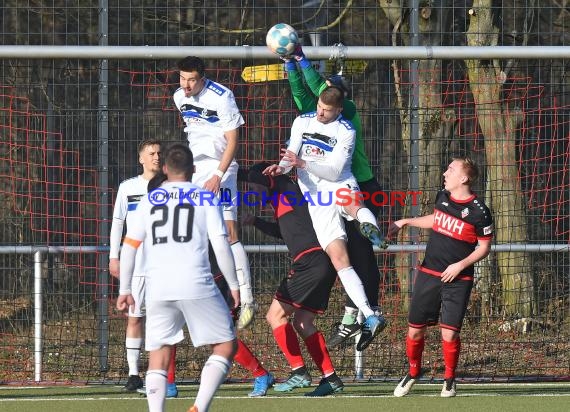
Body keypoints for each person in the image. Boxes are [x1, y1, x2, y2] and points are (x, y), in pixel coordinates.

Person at [116, 143, 240, 412]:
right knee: (225, 346)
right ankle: (199, 407)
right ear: (193, 170)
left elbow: (129, 247)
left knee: (158, 354)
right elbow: (221, 244)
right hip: (197, 282)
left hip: (157, 287)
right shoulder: (206, 197)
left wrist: (125, 288)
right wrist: (234, 285)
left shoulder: (149, 200)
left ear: (164, 169)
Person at [264, 86, 386, 351]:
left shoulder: (345, 131)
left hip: (339, 185)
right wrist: (281, 167)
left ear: (338, 110)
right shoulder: (302, 121)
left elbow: (333, 171)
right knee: (339, 260)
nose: (320, 113)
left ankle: (370, 227)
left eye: (327, 110)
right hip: (316, 201)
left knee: (353, 203)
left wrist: (302, 164)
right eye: (319, 107)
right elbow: (291, 155)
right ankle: (370, 314)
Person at [389, 156, 494, 398]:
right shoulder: (442, 197)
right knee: (415, 331)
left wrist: (460, 265)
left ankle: (449, 379)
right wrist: (407, 221)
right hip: (429, 273)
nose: (445, 173)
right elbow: (437, 220)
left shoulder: (480, 212)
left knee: (449, 333)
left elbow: (483, 247)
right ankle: (413, 373)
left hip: (458, 279)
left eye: (451, 169)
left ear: (464, 178)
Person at [241, 162, 347, 396]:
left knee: (274, 315)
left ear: (267, 179)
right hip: (320, 263)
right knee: (302, 322)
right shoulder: (281, 201)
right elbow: (283, 231)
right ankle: (331, 378)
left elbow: (265, 178)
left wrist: (223, 171)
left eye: (254, 186)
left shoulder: (284, 186)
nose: (252, 191)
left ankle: (298, 371)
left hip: (310, 262)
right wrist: (256, 222)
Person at [173, 55, 255, 329]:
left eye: (192, 80)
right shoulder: (178, 97)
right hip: (194, 170)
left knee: (228, 231)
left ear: (202, 78)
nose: (186, 85)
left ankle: (246, 298)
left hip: (222, 168)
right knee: (191, 229)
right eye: (182, 79)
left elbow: (233, 140)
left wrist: (219, 175)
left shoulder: (222, 96)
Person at [109, 139, 179, 398]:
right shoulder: (128, 187)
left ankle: (162, 376)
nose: (156, 157)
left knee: (166, 318)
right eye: (151, 154)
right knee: (135, 317)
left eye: (160, 153)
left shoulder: (172, 185)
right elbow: (118, 223)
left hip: (164, 262)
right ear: (141, 158)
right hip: (136, 263)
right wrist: (113, 257)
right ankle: (133, 374)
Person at [208, 246, 274, 397]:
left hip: (218, 281)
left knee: (222, 337)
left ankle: (261, 374)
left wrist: (244, 289)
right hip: (197, 282)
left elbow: (232, 240)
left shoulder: (216, 223)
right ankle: (168, 382)